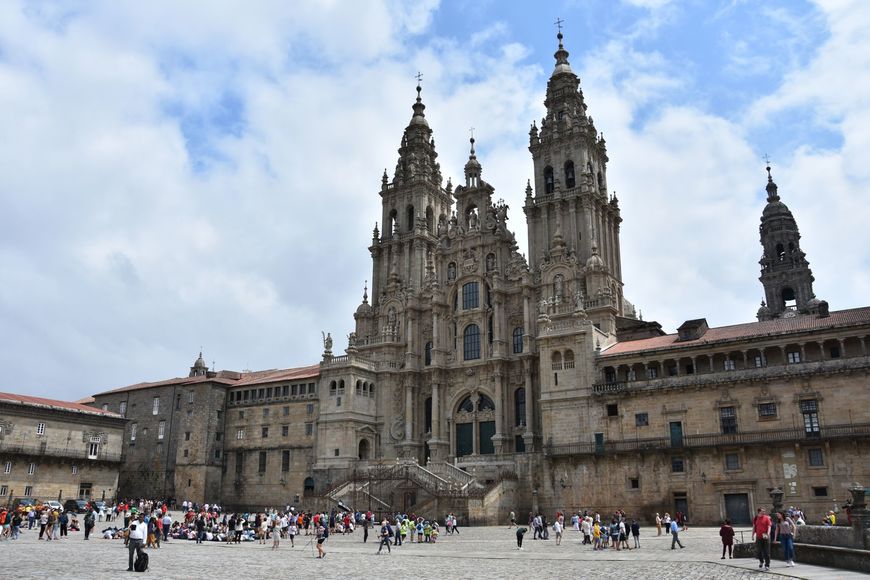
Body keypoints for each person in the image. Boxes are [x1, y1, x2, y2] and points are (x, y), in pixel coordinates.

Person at [752, 507, 772, 571]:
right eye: (763, 511)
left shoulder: (767, 518)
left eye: (764, 511)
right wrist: (752, 535)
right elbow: (754, 527)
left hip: (765, 536)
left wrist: (768, 534)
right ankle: (761, 561)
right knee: (758, 551)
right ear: (759, 512)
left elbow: (769, 526)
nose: (764, 512)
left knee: (767, 552)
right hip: (758, 537)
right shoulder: (756, 518)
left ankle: (767, 565)